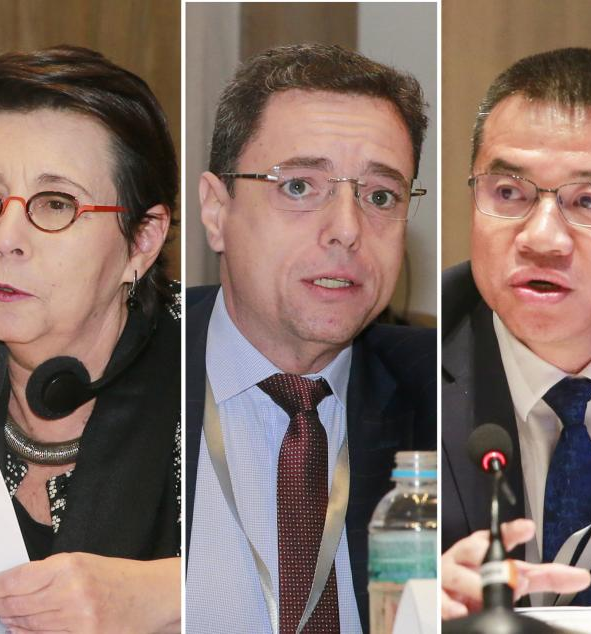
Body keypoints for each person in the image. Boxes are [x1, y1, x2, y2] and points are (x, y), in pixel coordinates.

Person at [185, 44, 436, 633]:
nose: (347, 230)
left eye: (380, 196)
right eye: (300, 186)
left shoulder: (441, 393)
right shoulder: (133, 363)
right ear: (216, 211)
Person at [0, 45, 180, 632]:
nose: (6, 238)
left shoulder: (208, 368)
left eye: (55, 204)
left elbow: (290, 575)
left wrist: (171, 595)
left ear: (142, 240)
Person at [440, 48, 591, 617]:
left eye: (588, 201)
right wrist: (415, 600)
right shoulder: (396, 374)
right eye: (508, 192)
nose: (541, 239)